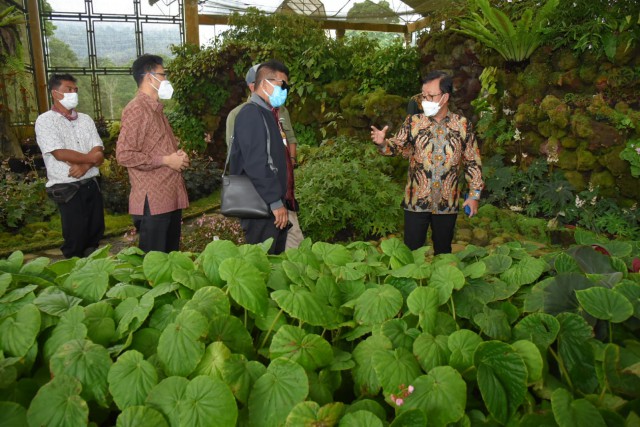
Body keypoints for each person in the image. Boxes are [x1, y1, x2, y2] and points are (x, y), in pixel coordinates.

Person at [370, 71, 484, 255]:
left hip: (447, 203)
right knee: (411, 252)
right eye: (423, 96)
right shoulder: (414, 122)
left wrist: (474, 195)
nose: (425, 100)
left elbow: (472, 160)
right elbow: (397, 147)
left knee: (443, 252)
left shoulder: (462, 125)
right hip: (416, 201)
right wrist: (383, 143)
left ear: (445, 97)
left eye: (431, 96)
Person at [116, 54, 189, 253]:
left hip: (169, 197)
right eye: (163, 74)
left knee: (170, 259)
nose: (166, 79)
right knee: (154, 264)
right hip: (154, 202)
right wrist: (166, 160)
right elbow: (124, 154)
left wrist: (177, 156)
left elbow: (156, 147)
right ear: (149, 77)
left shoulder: (156, 110)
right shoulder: (137, 109)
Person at [226, 63, 304, 249]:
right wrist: (275, 202)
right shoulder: (251, 114)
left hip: (270, 204)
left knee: (277, 258)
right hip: (260, 205)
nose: (285, 90)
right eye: (282, 85)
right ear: (266, 83)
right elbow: (256, 163)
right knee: (264, 263)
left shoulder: (268, 113)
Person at [35, 73, 105, 258]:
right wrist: (91, 160)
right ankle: (73, 277)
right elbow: (60, 153)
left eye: (75, 90)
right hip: (67, 188)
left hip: (91, 184)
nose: (73, 93)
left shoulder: (86, 120)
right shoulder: (45, 121)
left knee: (95, 232)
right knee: (75, 236)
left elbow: (99, 151)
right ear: (55, 93)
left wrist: (85, 167)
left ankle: (94, 272)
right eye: (68, 89)